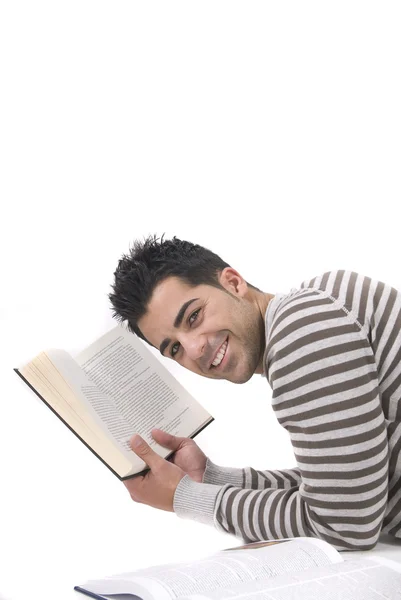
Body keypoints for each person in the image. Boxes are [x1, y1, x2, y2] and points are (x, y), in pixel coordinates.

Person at [108, 234, 401, 551]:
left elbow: (344, 525)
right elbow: (349, 484)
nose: (194, 349)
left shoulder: (301, 331)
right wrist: (211, 478)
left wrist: (187, 498)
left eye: (194, 316)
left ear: (233, 282)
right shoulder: (317, 305)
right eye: (175, 348)